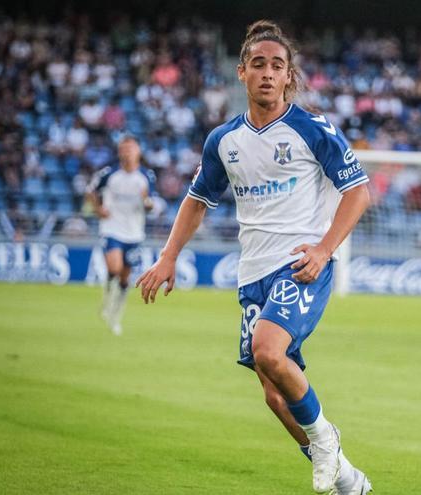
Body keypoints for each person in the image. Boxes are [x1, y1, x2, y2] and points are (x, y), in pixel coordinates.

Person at [135, 20, 372, 494]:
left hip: (302, 263)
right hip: (252, 274)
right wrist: (167, 256)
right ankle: (347, 477)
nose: (267, 73)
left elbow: (358, 192)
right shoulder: (223, 140)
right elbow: (197, 199)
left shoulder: (311, 129)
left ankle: (326, 442)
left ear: (289, 77)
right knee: (273, 393)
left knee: (268, 349)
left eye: (277, 66)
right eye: (258, 64)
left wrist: (325, 250)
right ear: (241, 73)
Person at [86, 135, 156, 335]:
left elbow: (152, 206)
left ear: (138, 152)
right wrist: (98, 209)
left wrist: (147, 202)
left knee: (125, 278)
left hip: (134, 233)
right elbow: (89, 190)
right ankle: (107, 297)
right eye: (123, 149)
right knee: (114, 268)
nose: (126, 152)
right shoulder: (109, 173)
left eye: (130, 149)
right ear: (119, 152)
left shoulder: (146, 176)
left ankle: (115, 316)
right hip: (112, 229)